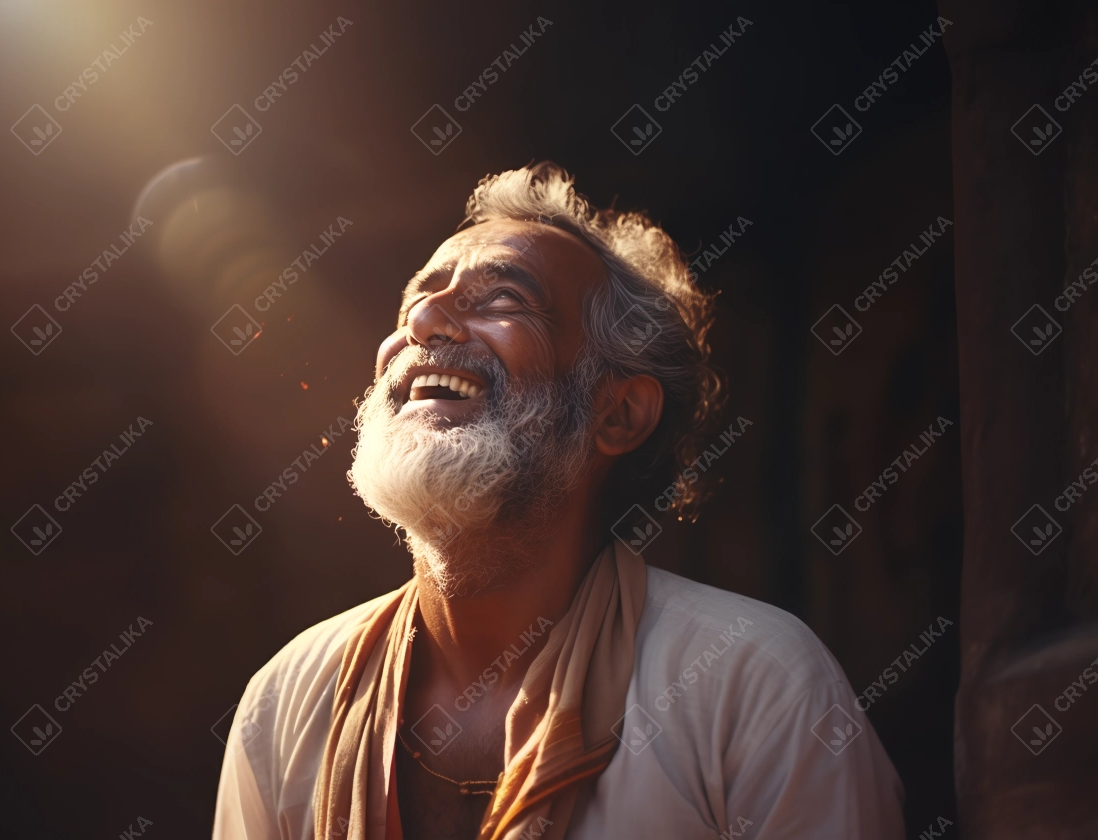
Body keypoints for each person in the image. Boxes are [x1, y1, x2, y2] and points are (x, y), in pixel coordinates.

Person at [212, 163, 904, 839]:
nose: (425, 321)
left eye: (502, 300)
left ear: (619, 415)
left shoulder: (755, 682)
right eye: (416, 300)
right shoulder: (287, 699)